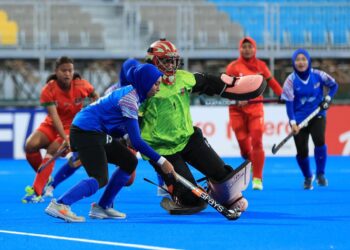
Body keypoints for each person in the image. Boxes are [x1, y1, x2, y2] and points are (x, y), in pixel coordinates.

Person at [139, 38, 265, 215]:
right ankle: (180, 194)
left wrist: (231, 85)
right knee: (191, 202)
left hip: (189, 138)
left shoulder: (183, 78)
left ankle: (222, 192)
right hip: (162, 149)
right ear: (154, 61)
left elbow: (206, 81)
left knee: (223, 175)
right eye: (166, 60)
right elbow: (132, 117)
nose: (171, 65)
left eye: (173, 60)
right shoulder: (143, 87)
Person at [45, 62, 177, 222]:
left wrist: (126, 136)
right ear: (146, 82)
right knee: (99, 178)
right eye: (156, 84)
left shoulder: (135, 95)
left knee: (128, 161)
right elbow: (136, 141)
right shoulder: (130, 99)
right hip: (85, 131)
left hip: (95, 130)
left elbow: (118, 127)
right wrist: (162, 161)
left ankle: (103, 207)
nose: (158, 87)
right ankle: (60, 204)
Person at [43, 59, 140, 198]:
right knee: (79, 160)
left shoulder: (145, 92)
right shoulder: (113, 91)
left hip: (129, 136)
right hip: (107, 133)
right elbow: (102, 116)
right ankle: (52, 185)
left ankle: (106, 203)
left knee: (128, 179)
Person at [22, 56, 99, 203]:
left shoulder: (81, 85)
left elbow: (95, 95)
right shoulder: (48, 89)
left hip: (73, 127)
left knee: (52, 150)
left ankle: (37, 191)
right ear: (56, 71)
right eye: (64, 70)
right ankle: (45, 176)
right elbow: (54, 117)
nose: (67, 74)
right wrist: (65, 139)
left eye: (70, 70)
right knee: (30, 145)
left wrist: (93, 111)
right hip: (52, 125)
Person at [225, 37, 283, 191]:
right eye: (244, 46)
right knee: (244, 146)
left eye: (250, 46)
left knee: (257, 140)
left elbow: (272, 82)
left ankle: (257, 178)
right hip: (236, 111)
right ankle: (251, 160)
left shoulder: (261, 66)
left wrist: (283, 95)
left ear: (255, 49)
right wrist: (237, 98)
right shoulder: (232, 67)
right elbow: (225, 89)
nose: (247, 49)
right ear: (240, 49)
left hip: (255, 110)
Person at [280, 48, 338, 190]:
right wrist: (293, 123)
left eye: (304, 59)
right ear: (294, 62)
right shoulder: (290, 80)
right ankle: (307, 177)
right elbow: (289, 104)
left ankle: (320, 174)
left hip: (317, 114)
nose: (301, 62)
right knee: (302, 151)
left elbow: (334, 85)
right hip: (299, 119)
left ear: (308, 61)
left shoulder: (318, 75)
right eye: (298, 59)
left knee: (319, 140)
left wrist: (328, 98)